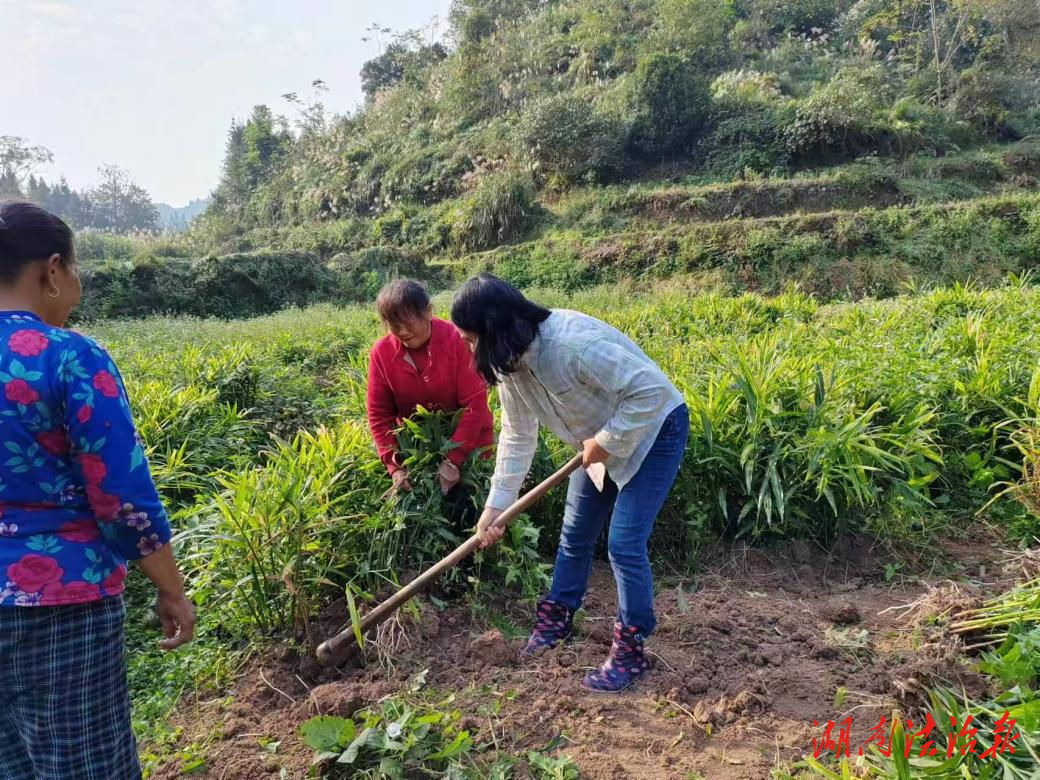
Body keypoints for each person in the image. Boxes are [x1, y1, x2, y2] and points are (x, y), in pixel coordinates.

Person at [0, 201, 195, 780]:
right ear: (52, 270)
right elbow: (122, 498)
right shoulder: (69, 357)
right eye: (76, 270)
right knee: (85, 765)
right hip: (61, 605)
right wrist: (172, 590)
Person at [451, 273, 689, 693]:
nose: (470, 350)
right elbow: (518, 435)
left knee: (624, 543)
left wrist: (608, 440)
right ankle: (557, 618)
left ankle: (632, 648)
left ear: (493, 329)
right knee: (575, 534)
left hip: (655, 430)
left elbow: (651, 391)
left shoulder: (571, 344)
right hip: (596, 441)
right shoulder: (509, 364)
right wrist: (496, 506)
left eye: (471, 339)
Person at [366, 279, 494, 549]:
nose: (401, 331)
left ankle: (477, 571)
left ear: (428, 311)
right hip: (417, 452)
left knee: (472, 513)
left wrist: (454, 460)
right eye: (393, 324)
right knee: (422, 526)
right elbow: (379, 415)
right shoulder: (381, 353)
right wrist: (395, 467)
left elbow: (474, 404)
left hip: (469, 443)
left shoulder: (455, 340)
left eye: (408, 322)